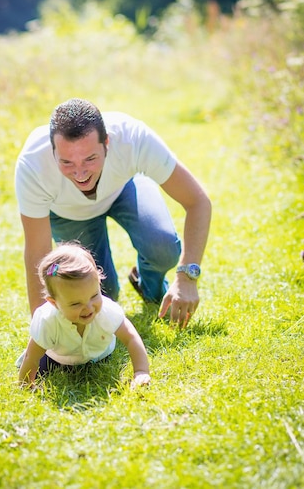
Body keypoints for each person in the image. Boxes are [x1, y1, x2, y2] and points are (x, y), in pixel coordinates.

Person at [15, 98, 211, 327]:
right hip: (68, 213)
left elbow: (198, 201)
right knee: (100, 294)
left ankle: (151, 286)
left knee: (162, 247)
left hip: (124, 189)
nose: (80, 174)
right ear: (53, 151)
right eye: (67, 162)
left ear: (107, 142)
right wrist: (41, 331)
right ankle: (110, 289)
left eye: (90, 158)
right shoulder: (32, 165)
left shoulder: (133, 138)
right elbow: (38, 254)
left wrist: (187, 277)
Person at [18, 243, 151, 388]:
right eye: (76, 304)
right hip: (57, 359)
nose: (88, 307)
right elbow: (32, 356)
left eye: (94, 295)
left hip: (99, 356)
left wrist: (141, 371)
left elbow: (131, 338)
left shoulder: (106, 311)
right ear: (54, 303)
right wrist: (25, 384)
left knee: (96, 374)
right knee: (41, 369)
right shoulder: (48, 320)